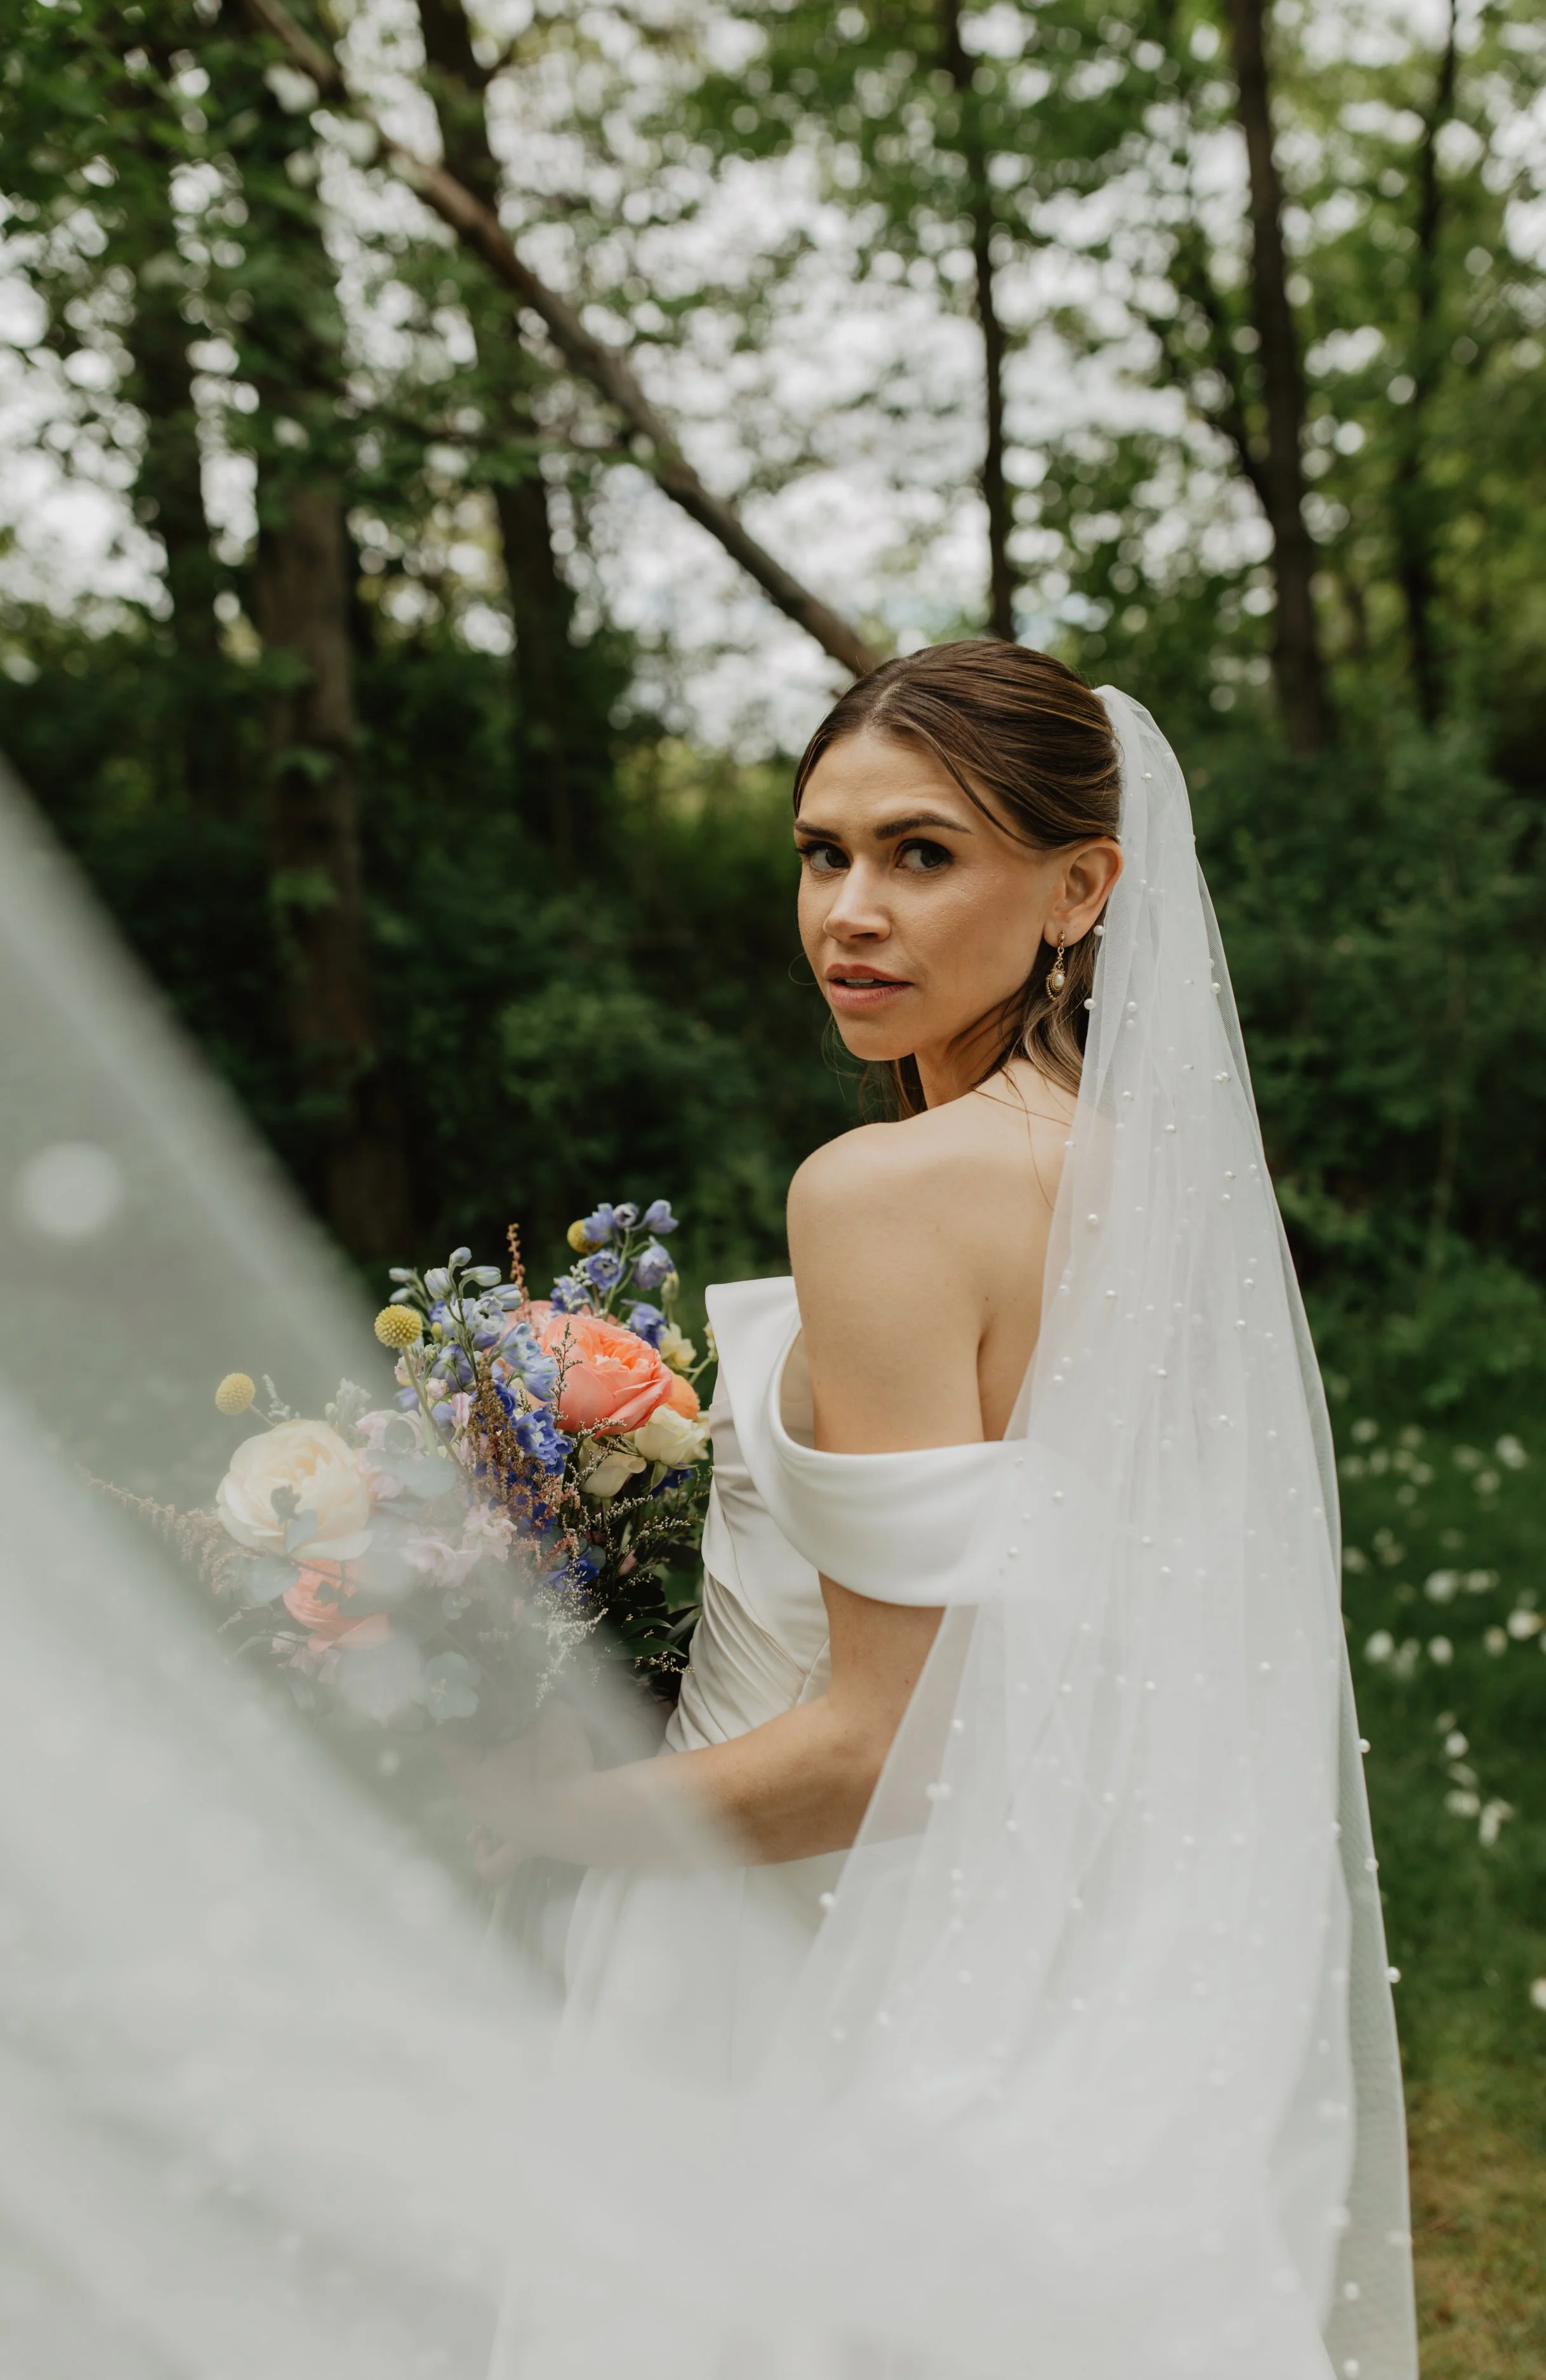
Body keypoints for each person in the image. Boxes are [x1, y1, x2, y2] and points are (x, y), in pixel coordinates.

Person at [442, 643, 1418, 2380]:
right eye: (824, 853)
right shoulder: (1160, 1191)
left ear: (1079, 887)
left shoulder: (882, 1193)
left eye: (920, 852)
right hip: (1062, 1937)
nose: (852, 910)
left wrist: (548, 1815)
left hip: (784, 1950)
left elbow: (881, 1741)